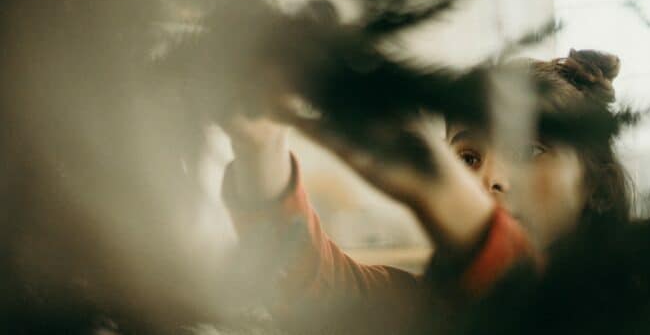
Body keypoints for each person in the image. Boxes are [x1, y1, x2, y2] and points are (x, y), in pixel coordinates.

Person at [220, 49, 627, 333]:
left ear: (597, 184)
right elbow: (316, 289)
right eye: (468, 158)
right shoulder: (426, 310)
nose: (491, 179)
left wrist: (450, 197)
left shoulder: (637, 305)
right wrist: (261, 146)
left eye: (528, 151)